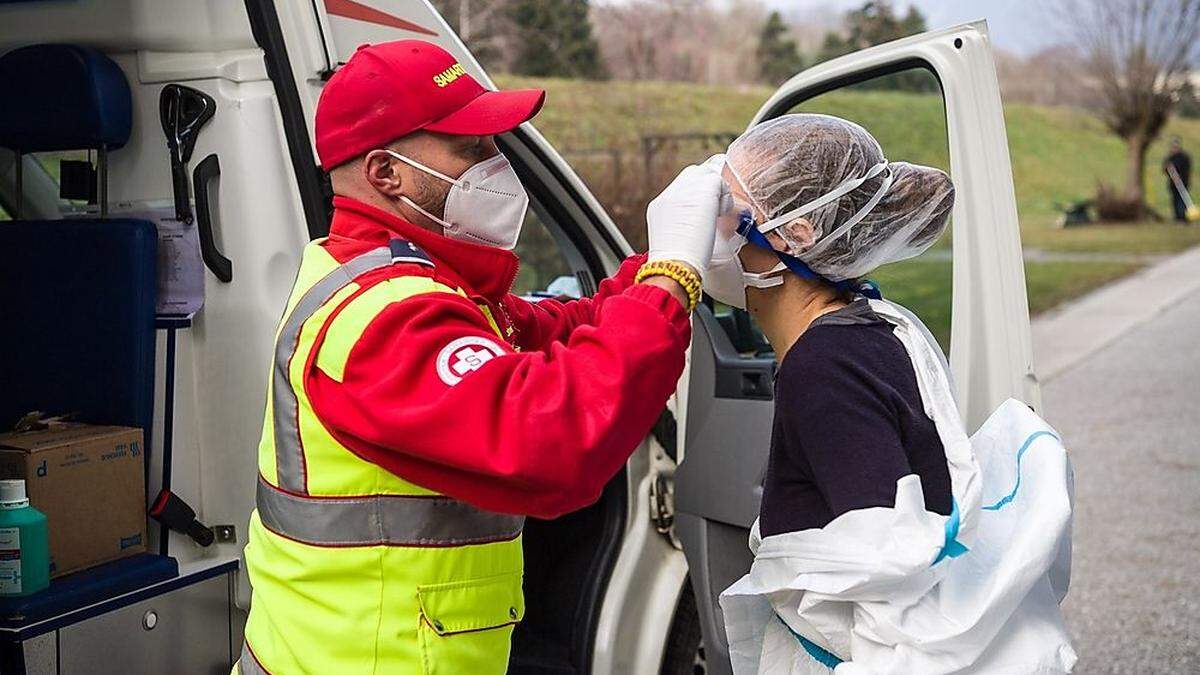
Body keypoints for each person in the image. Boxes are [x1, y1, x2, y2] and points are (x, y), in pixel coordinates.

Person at [237, 40, 722, 674]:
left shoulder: (415, 282)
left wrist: (654, 267)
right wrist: (670, 284)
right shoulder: (383, 317)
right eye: (473, 150)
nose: (497, 167)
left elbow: (549, 330)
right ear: (386, 173)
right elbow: (548, 437)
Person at [710, 114, 1076, 673]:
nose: (709, 228)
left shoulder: (825, 367)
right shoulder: (876, 323)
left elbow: (889, 575)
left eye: (725, 208)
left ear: (796, 232)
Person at [1164, 137, 1192, 223]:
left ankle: (1183, 218)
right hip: (1173, 184)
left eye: (1176, 146)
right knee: (1175, 200)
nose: (1174, 148)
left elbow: (1187, 170)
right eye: (1173, 146)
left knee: (1182, 201)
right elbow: (1165, 168)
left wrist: (1181, 178)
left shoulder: (1184, 157)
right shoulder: (1169, 158)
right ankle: (1177, 217)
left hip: (1183, 183)